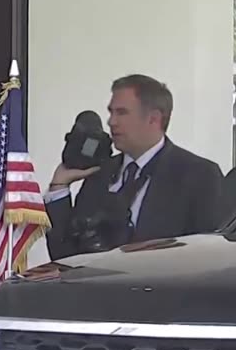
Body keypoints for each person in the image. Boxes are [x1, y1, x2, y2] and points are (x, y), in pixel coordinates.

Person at [44, 74, 223, 260]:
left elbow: (207, 257)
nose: (111, 122)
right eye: (111, 112)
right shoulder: (100, 173)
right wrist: (59, 186)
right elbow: (65, 256)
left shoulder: (199, 175)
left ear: (153, 119)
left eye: (121, 113)